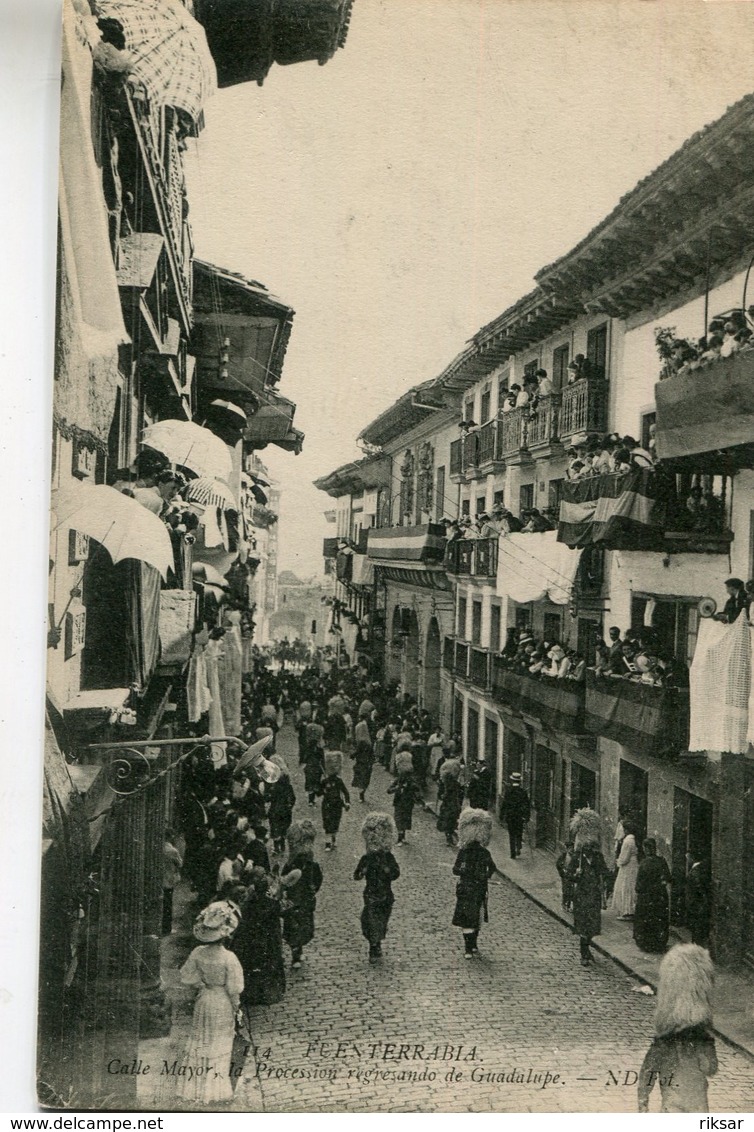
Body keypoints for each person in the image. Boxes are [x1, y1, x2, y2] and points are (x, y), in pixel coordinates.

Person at [177, 901, 244, 1106]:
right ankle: (216, 1089)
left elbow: (186, 976)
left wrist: (201, 985)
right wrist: (236, 1008)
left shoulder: (198, 952)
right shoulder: (229, 958)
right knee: (219, 1042)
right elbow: (234, 988)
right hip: (222, 1002)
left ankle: (196, 1087)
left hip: (204, 1000)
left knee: (201, 1040)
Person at [637, 945, 718, 1113]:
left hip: (679, 1104)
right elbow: (711, 1068)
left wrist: (643, 1099)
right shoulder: (703, 1039)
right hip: (694, 1105)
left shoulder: (665, 1041)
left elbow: (649, 1070)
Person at [232, 867, 296, 1009]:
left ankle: (255, 993)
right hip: (267, 937)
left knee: (257, 964)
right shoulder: (268, 901)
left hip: (255, 937)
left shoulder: (251, 900)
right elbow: (280, 911)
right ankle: (267, 993)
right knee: (268, 963)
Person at [452, 809, 503, 958]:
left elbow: (455, 870)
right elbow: (492, 867)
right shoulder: (483, 852)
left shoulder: (464, 852)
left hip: (468, 887)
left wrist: (464, 870)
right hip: (477, 888)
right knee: (475, 916)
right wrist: (484, 876)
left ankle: (469, 947)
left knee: (468, 918)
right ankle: (472, 945)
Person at [565, 807, 609, 966]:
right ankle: (584, 954)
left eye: (592, 847)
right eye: (588, 847)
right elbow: (568, 875)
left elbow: (604, 871)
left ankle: (587, 949)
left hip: (594, 896)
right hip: (582, 896)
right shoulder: (577, 858)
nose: (590, 850)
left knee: (592, 928)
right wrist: (575, 875)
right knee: (583, 927)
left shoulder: (597, 857)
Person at [354, 812, 401, 962]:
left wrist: (388, 871)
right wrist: (362, 872)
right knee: (372, 920)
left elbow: (396, 873)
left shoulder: (388, 857)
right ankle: (374, 946)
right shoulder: (366, 859)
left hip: (386, 895)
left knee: (381, 921)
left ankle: (377, 943)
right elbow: (356, 875)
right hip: (371, 894)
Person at [282, 820, 323, 970]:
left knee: (299, 928)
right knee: (295, 928)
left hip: (302, 900)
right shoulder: (300, 865)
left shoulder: (309, 866)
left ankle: (297, 952)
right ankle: (296, 955)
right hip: (297, 900)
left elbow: (317, 880)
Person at [633, 838, 672, 953]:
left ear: (646, 849)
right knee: (659, 919)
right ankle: (659, 943)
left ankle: (647, 944)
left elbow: (639, 885)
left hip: (646, 897)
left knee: (646, 920)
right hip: (660, 896)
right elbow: (668, 878)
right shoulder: (662, 861)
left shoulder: (644, 863)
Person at [387, 750, 423, 844]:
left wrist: (410, 786)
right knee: (399, 819)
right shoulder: (398, 780)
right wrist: (397, 788)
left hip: (407, 802)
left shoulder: (411, 781)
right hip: (399, 802)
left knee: (405, 819)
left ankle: (402, 837)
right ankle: (400, 837)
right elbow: (389, 790)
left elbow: (417, 789)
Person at [319, 749, 351, 851]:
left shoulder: (338, 781)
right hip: (327, 805)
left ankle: (333, 838)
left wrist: (347, 802)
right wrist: (323, 789)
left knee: (335, 822)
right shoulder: (324, 781)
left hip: (337, 804)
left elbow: (345, 792)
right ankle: (328, 843)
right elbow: (319, 793)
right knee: (327, 823)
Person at [266, 758, 296, 855]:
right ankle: (282, 845)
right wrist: (289, 806)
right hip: (285, 811)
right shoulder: (288, 786)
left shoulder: (273, 787)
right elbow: (293, 798)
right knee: (283, 828)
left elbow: (268, 798)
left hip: (275, 810)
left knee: (275, 828)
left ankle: (276, 847)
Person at [612, 819, 639, 919]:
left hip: (628, 867)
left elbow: (624, 857)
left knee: (626, 887)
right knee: (630, 887)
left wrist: (618, 861)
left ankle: (627, 912)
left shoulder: (627, 841)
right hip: (632, 865)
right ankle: (629, 910)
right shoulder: (632, 840)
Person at [500, 772, 531, 859]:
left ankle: (512, 853)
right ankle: (518, 846)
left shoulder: (508, 791)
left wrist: (501, 816)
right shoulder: (523, 792)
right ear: (520, 782)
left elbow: (504, 804)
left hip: (510, 816)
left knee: (511, 834)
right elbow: (527, 805)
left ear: (512, 780)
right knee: (519, 832)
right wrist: (527, 816)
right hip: (519, 816)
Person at [436, 758, 464, 846]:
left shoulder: (444, 785)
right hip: (453, 805)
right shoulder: (456, 784)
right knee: (451, 821)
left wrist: (442, 796)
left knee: (448, 821)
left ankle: (449, 837)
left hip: (448, 805)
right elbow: (460, 795)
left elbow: (440, 795)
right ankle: (449, 837)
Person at [685, 856, 712, 947]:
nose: (687, 859)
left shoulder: (695, 871)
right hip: (698, 907)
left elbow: (699, 889)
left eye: (687, 857)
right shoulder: (699, 869)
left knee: (698, 932)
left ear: (692, 857)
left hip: (697, 907)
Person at [162, 828, 183, 936]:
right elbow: (180, 863)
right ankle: (166, 929)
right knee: (168, 905)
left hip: (160, 879)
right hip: (169, 879)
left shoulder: (159, 848)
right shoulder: (172, 851)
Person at [351, 718, 374, 803]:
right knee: (365, 779)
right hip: (367, 763)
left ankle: (361, 796)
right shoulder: (369, 742)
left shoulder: (361, 742)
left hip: (361, 762)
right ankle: (362, 795)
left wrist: (352, 755)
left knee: (361, 779)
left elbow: (357, 751)